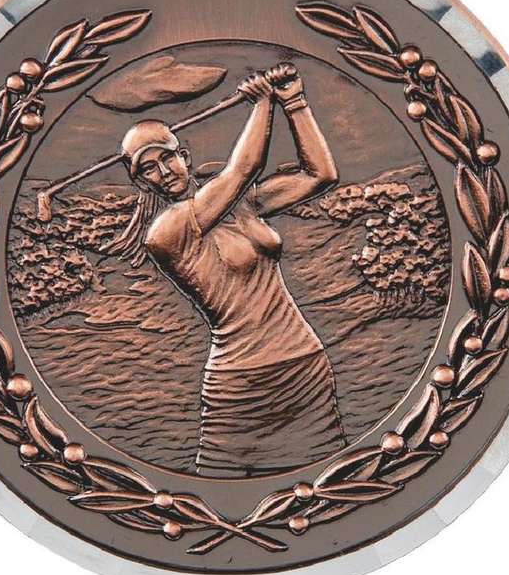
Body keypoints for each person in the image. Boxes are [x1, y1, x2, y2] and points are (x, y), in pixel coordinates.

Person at [102, 62, 346, 475]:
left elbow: (320, 175)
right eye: (148, 168)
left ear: (184, 156)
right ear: (141, 182)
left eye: (167, 158)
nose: (163, 173)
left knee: (325, 478)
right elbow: (242, 169)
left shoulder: (243, 204)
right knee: (219, 485)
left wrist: (294, 101)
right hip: (240, 383)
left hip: (305, 364)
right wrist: (262, 102)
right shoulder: (165, 232)